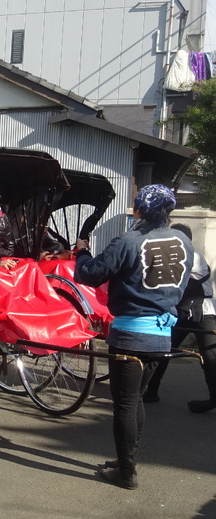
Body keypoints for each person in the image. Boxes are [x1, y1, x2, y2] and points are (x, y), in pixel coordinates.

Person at [74, 184, 194, 490]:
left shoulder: (129, 240)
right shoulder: (183, 241)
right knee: (136, 399)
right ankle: (126, 459)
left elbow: (91, 274)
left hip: (130, 334)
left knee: (125, 404)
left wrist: (82, 252)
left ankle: (126, 473)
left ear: (138, 211)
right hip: (162, 334)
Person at [143, 224, 216, 412]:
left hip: (203, 311)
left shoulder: (193, 255)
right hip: (182, 311)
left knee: (209, 355)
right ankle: (149, 391)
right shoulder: (176, 254)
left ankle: (214, 398)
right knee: (163, 349)